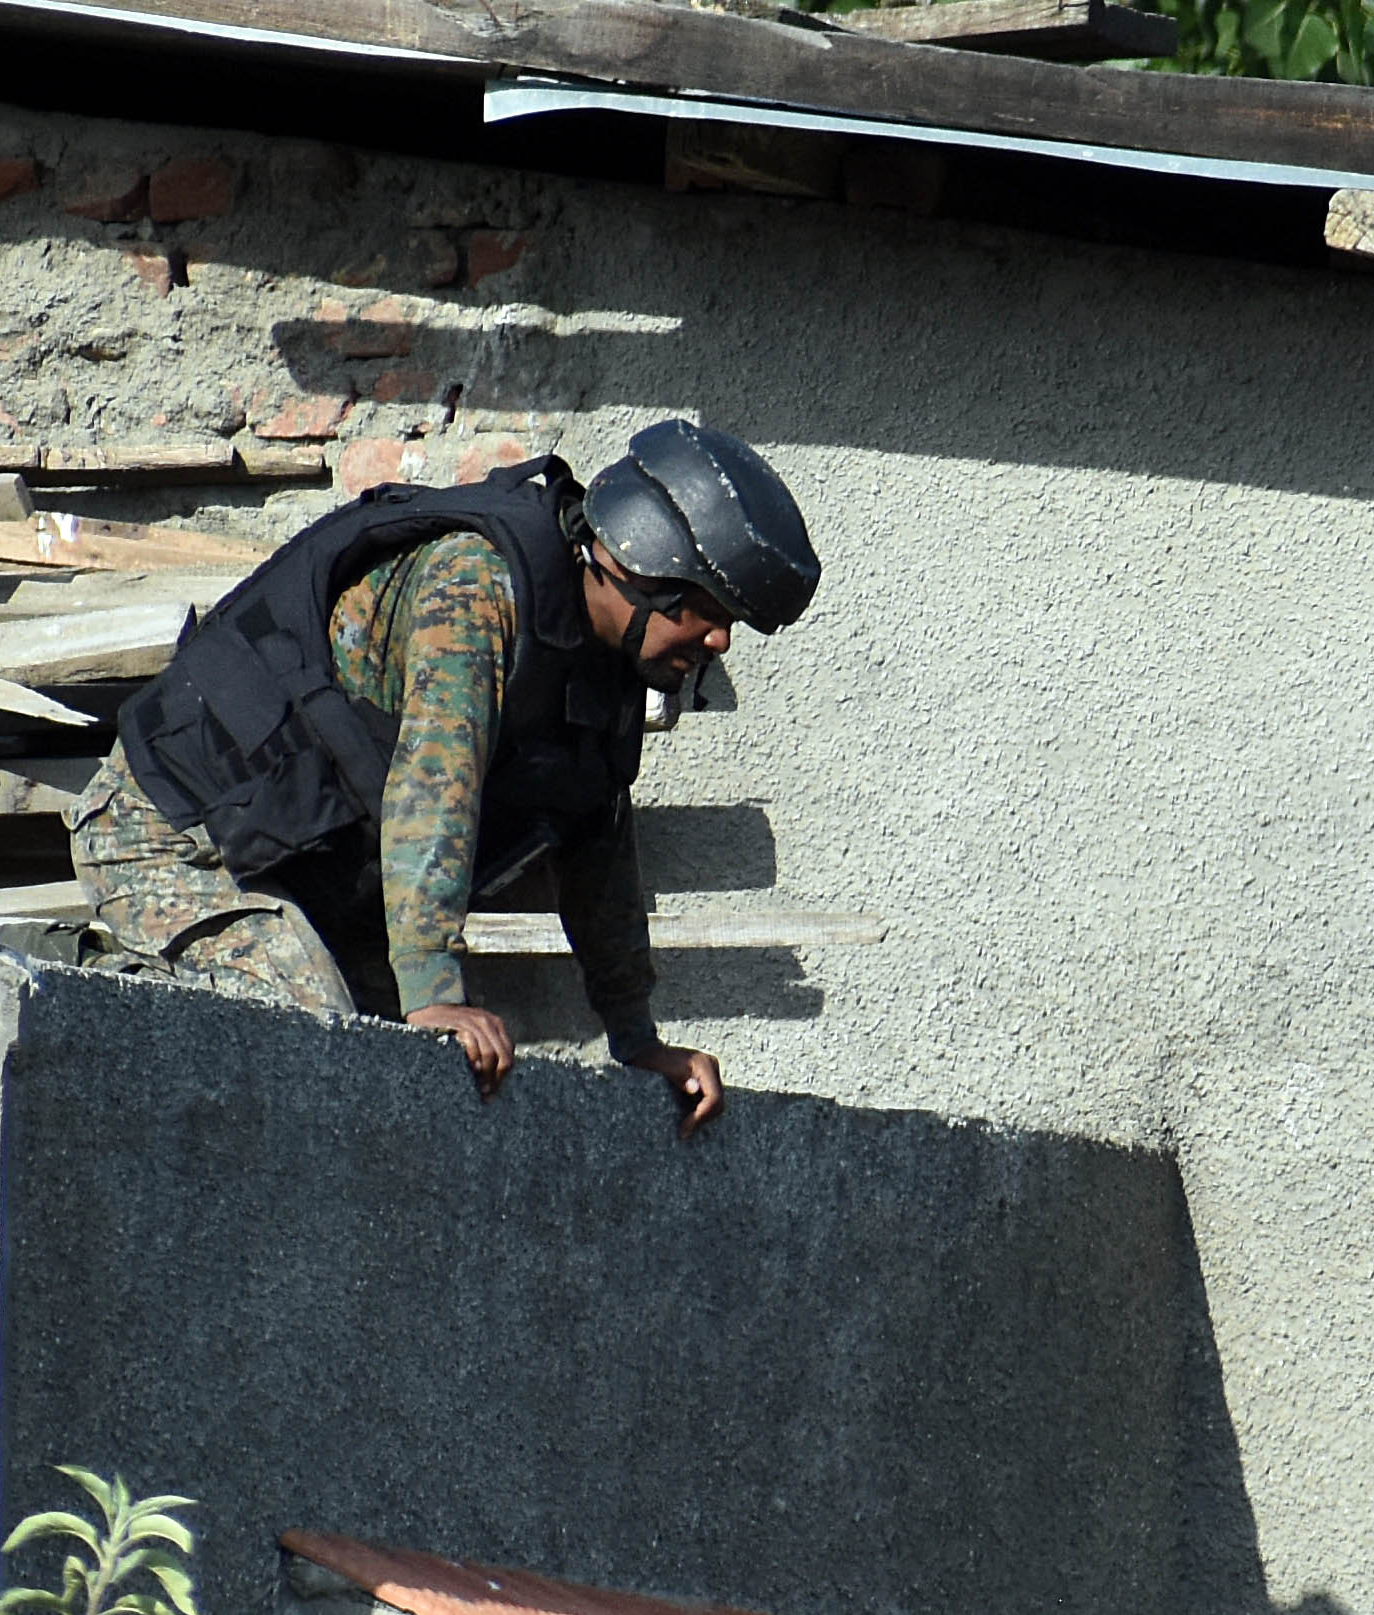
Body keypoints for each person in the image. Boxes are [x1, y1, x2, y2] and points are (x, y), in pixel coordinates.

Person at [67, 419, 820, 1134]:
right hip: (173, 835)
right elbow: (436, 781)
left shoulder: (609, 663)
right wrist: (430, 991)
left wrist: (635, 1036)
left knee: (405, 1097)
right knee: (317, 1041)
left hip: (300, 869)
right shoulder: (476, 588)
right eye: (706, 610)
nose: (719, 639)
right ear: (637, 565)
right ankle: (73, 986)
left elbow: (596, 842)